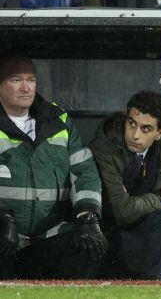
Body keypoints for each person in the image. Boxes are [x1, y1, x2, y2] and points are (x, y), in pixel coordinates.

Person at [0, 53, 107, 279]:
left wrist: (88, 215)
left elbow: (84, 170)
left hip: (49, 235)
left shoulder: (58, 120)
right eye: (16, 79)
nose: (26, 87)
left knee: (90, 242)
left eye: (31, 79)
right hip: (4, 237)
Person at [90, 91, 161, 280]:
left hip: (137, 238)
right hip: (103, 236)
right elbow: (122, 212)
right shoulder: (105, 146)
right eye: (131, 124)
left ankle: (157, 286)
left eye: (145, 129)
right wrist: (155, 199)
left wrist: (139, 202)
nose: (135, 135)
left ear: (159, 133)